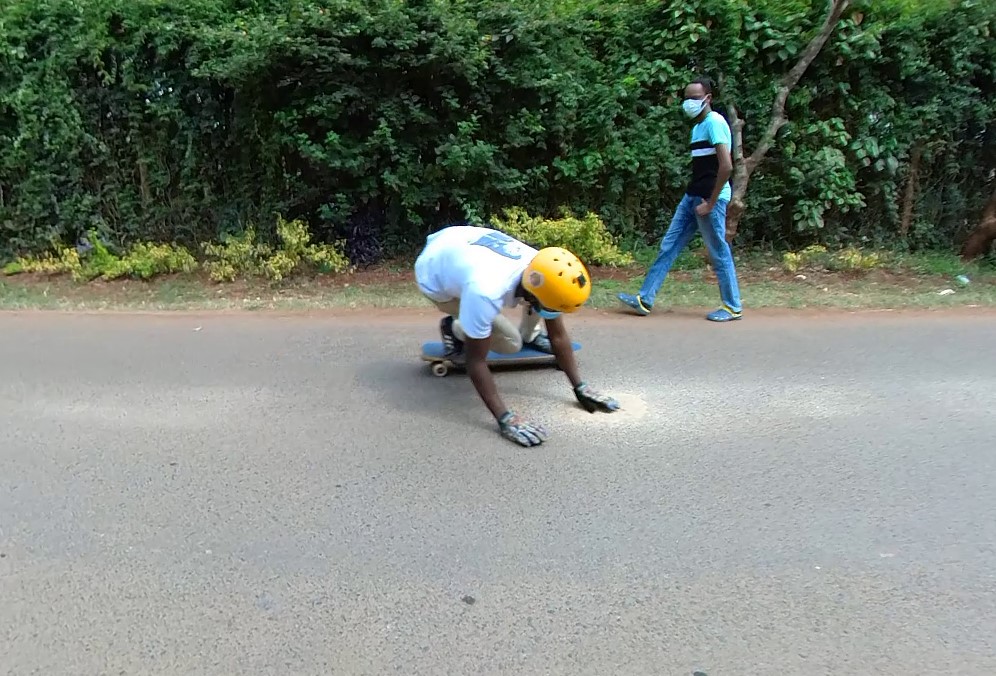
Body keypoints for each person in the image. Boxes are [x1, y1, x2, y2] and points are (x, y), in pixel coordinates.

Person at [414, 223, 620, 447]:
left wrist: (580, 387)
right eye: (551, 308)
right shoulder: (485, 291)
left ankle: (529, 333)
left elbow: (557, 335)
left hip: (459, 242)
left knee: (539, 304)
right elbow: (476, 362)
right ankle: (456, 327)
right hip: (434, 274)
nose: (553, 314)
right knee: (511, 343)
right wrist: (505, 418)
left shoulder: (542, 267)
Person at [617, 76, 743, 322]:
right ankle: (645, 298)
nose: (689, 103)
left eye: (695, 98)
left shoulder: (715, 123)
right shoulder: (697, 127)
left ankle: (732, 306)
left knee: (718, 251)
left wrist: (711, 201)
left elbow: (726, 167)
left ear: (708, 98)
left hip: (710, 200)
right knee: (669, 245)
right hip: (693, 196)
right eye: (686, 98)